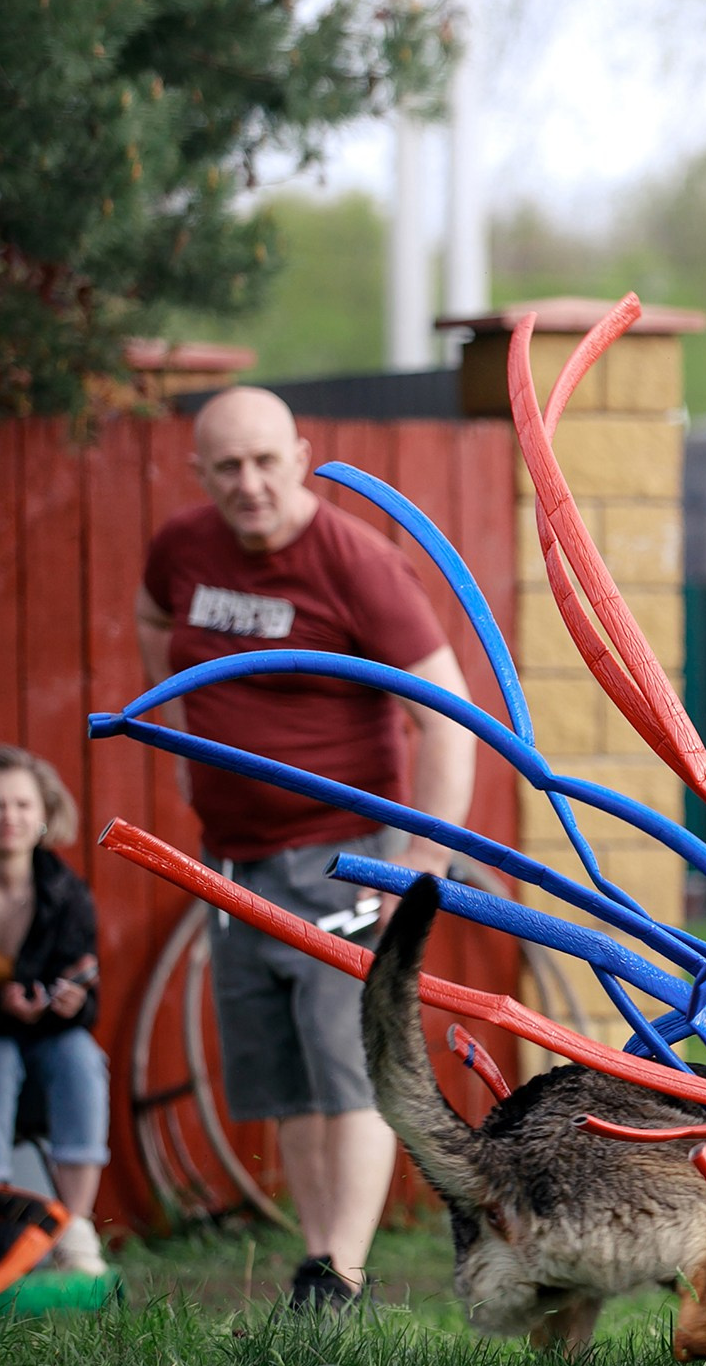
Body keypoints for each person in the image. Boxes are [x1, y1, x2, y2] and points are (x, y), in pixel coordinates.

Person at [136, 387, 477, 1309]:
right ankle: (317, 1257)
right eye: (227, 467)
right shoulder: (181, 549)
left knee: (346, 1069)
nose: (249, 484)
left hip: (343, 857)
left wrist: (425, 862)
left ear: (301, 453)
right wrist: (176, 742)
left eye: (265, 461)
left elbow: (449, 722)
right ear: (199, 472)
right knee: (282, 1079)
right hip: (235, 860)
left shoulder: (357, 564)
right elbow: (152, 626)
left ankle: (345, 1274)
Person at [0, 747, 111, 1276]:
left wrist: (72, 1001)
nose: (9, 817)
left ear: (42, 814)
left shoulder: (66, 891)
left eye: (21, 804)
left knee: (81, 1058)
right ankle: (3, 1219)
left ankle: (75, 1225)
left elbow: (88, 996)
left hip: (47, 1036)